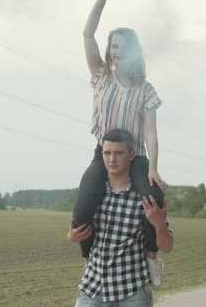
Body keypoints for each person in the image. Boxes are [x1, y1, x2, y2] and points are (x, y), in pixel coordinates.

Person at [72, 0, 166, 287]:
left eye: (121, 47)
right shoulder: (100, 76)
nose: (114, 51)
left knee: (153, 198)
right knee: (84, 203)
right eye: (112, 45)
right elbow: (87, 33)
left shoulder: (145, 90)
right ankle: (89, 260)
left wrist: (152, 168)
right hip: (105, 155)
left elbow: (150, 133)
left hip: (136, 157)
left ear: (132, 52)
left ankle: (151, 257)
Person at [68, 129, 174, 306]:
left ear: (131, 155)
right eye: (107, 153)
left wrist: (159, 224)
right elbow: (72, 232)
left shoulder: (145, 198)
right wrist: (72, 236)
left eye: (118, 153)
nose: (112, 159)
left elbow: (168, 247)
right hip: (93, 288)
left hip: (133, 292)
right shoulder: (93, 194)